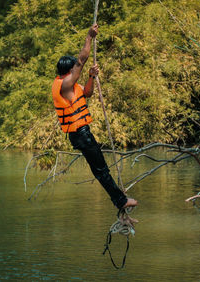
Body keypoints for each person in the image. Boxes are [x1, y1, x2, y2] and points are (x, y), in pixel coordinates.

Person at [51, 23, 138, 210]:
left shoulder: (71, 87)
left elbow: (88, 93)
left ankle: (119, 200)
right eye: (73, 69)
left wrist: (90, 76)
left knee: (100, 168)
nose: (77, 70)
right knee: (101, 169)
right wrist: (89, 37)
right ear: (68, 72)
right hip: (80, 134)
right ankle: (121, 201)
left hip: (82, 134)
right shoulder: (65, 85)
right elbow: (81, 61)